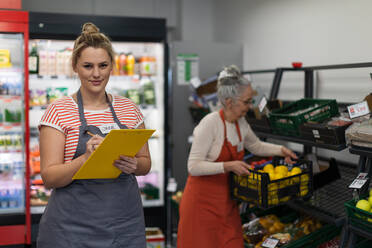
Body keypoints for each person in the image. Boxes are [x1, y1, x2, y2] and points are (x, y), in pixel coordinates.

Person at [37, 22, 150, 247]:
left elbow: (145, 164)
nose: (96, 74)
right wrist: (85, 160)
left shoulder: (129, 109)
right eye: (88, 66)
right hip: (71, 231)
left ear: (112, 67)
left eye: (103, 65)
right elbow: (49, 178)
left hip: (124, 228)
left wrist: (133, 165)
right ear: (75, 67)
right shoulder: (59, 111)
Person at [177, 65, 298, 248]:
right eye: (246, 102)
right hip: (201, 207)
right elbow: (193, 166)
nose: (250, 107)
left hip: (227, 204)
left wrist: (281, 150)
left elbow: (256, 145)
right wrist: (227, 166)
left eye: (251, 101)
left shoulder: (240, 122)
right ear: (228, 101)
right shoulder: (210, 123)